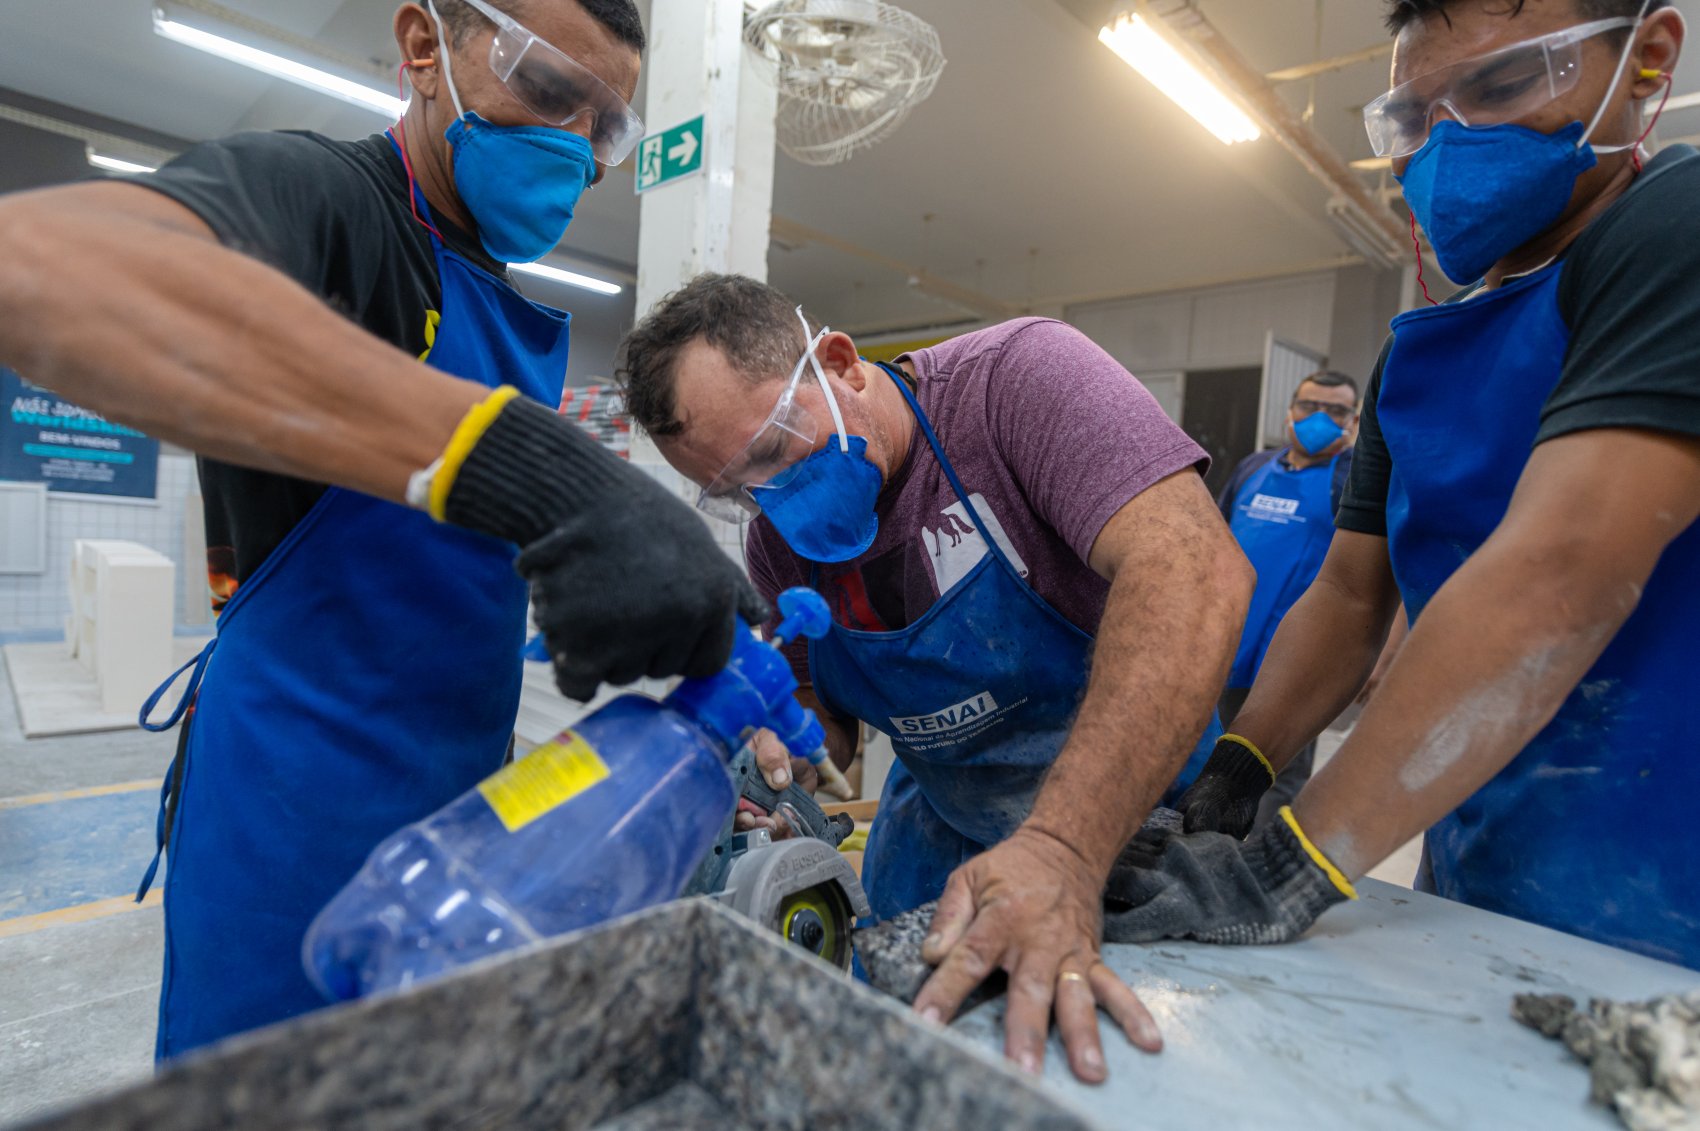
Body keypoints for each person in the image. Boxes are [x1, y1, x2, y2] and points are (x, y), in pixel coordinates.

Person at [0, 0, 766, 1058]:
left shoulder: (504, 300)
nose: (577, 149)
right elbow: (46, 267)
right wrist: (524, 467)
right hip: (291, 813)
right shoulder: (328, 200)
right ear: (421, 47)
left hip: (458, 817)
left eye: (607, 127)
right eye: (549, 87)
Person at [1106, 0, 1700, 973]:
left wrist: (1295, 860)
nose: (1448, 142)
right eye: (1416, 117)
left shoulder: (1672, 231)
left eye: (1503, 83)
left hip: (1665, 891)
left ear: (1646, 59)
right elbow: (1347, 597)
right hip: (1477, 873)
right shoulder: (1416, 356)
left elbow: (1560, 576)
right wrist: (1237, 767)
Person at [616, 274, 1255, 1081]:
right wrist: (786, 748)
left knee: (1134, 1079)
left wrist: (1062, 848)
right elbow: (825, 718)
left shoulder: (1017, 382)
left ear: (840, 363)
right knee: (919, 1073)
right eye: (739, 492)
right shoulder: (779, 547)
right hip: (941, 834)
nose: (772, 499)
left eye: (773, 452)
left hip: (1124, 821)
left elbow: (1194, 572)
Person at [1178, 373, 1359, 836]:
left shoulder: (1354, 480)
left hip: (1295, 659)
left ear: (1354, 422)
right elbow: (1214, 541)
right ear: (1290, 411)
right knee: (1207, 760)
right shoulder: (1253, 468)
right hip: (1228, 644)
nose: (1320, 418)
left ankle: (1251, 864)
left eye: (1336, 411)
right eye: (1310, 405)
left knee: (1273, 774)